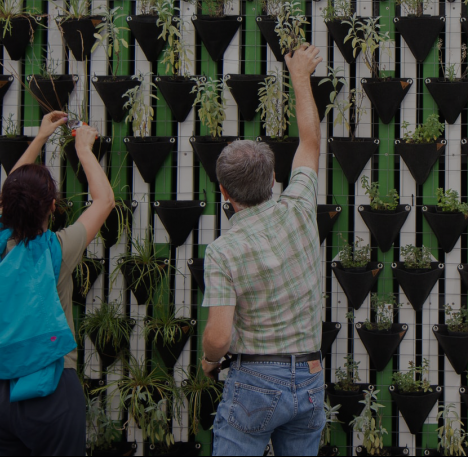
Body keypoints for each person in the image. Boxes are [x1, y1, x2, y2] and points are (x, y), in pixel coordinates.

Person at [200, 44, 325, 456]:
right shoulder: (300, 207)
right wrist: (300, 77)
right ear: (274, 177)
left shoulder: (222, 251)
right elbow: (310, 140)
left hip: (254, 381)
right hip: (309, 376)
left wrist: (208, 361)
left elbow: (218, 338)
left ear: (223, 191)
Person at [0, 112, 114, 455]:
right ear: (52, 206)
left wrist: (40, 137)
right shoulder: (57, 252)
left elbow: (8, 195)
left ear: (6, 208)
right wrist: (83, 149)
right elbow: (104, 200)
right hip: (50, 387)